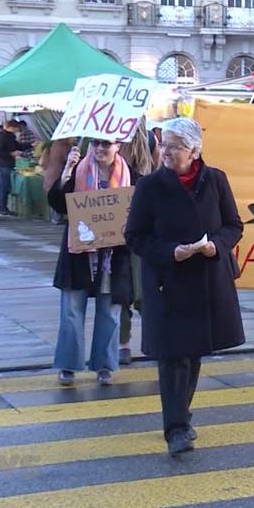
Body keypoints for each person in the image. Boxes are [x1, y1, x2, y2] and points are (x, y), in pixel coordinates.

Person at [125, 117, 245, 456]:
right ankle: (175, 428)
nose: (165, 151)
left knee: (191, 355)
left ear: (193, 150)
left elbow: (234, 226)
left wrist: (216, 246)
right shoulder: (150, 186)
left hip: (207, 279)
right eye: (163, 144)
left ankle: (183, 416)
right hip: (168, 282)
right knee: (172, 356)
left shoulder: (216, 180)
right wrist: (169, 252)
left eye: (174, 146)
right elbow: (135, 237)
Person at [48, 138, 136, 387]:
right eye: (96, 144)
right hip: (78, 255)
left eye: (106, 144)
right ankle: (68, 365)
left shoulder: (132, 177)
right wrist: (65, 174)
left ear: (118, 145)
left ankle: (105, 365)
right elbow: (56, 203)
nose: (100, 149)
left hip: (112, 257)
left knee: (109, 312)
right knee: (71, 311)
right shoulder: (77, 170)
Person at [116, 126, 156, 365]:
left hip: (137, 229)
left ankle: (131, 342)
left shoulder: (148, 138)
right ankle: (124, 343)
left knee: (139, 290)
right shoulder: (107, 137)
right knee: (125, 290)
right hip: (116, 228)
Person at [0, 120, 34, 216]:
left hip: (5, 164)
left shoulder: (9, 136)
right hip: (3, 164)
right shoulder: (3, 137)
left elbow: (17, 146)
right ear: (11, 127)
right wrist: (11, 153)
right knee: (4, 187)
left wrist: (31, 145)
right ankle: (2, 208)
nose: (17, 130)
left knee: (1, 186)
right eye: (16, 128)